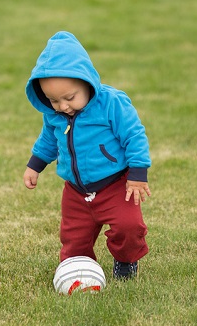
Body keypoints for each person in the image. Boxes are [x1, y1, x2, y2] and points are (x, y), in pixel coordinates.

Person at [23, 31, 152, 280]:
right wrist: (35, 165)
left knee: (128, 227)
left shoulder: (112, 103)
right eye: (53, 100)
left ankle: (126, 261)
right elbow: (49, 140)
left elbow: (134, 136)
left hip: (115, 185)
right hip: (75, 191)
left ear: (87, 82)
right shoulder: (54, 115)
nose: (63, 106)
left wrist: (137, 173)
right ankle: (78, 270)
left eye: (69, 98)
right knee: (73, 238)